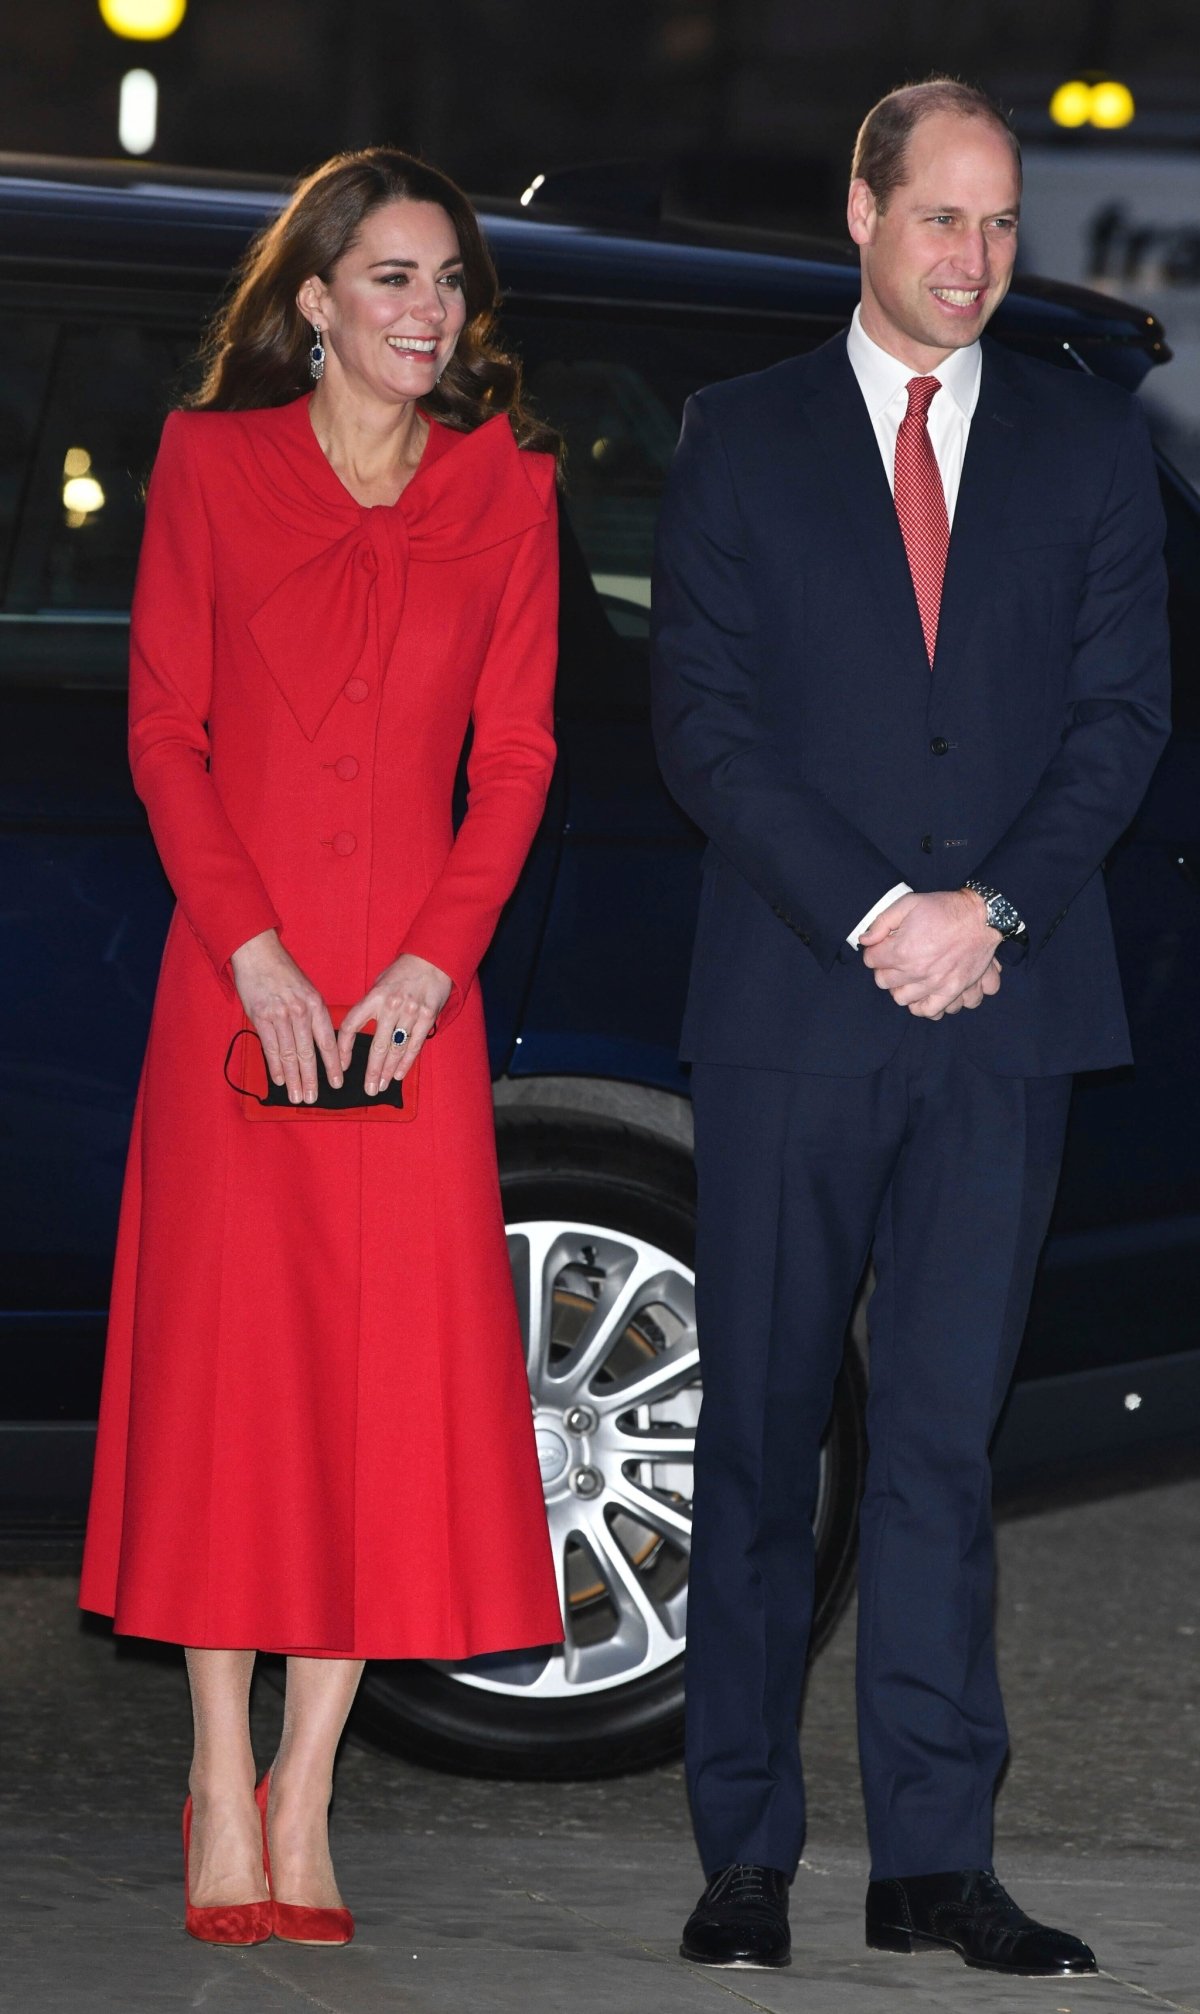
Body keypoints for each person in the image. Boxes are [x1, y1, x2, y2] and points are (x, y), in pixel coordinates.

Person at [652, 78, 1170, 1977]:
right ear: (858, 216)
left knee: (949, 1448)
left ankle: (934, 1859)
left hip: (1005, 1022)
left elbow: (1121, 722)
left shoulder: (1091, 444)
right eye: (943, 219)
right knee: (762, 1438)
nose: (976, 259)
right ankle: (747, 1851)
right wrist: (882, 913)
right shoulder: (740, 439)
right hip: (799, 1005)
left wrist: (993, 915)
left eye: (1005, 225)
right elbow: (703, 725)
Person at [79, 147, 564, 1948]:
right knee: (233, 1383)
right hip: (239, 989)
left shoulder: (509, 493)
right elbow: (163, 731)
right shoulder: (212, 468)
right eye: (391, 280)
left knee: (378, 1396)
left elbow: (514, 757)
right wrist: (259, 955)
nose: (429, 311)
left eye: (448, 282)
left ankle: (310, 1783)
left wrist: (432, 973)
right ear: (315, 303)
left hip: (407, 1015)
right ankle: (217, 1767)